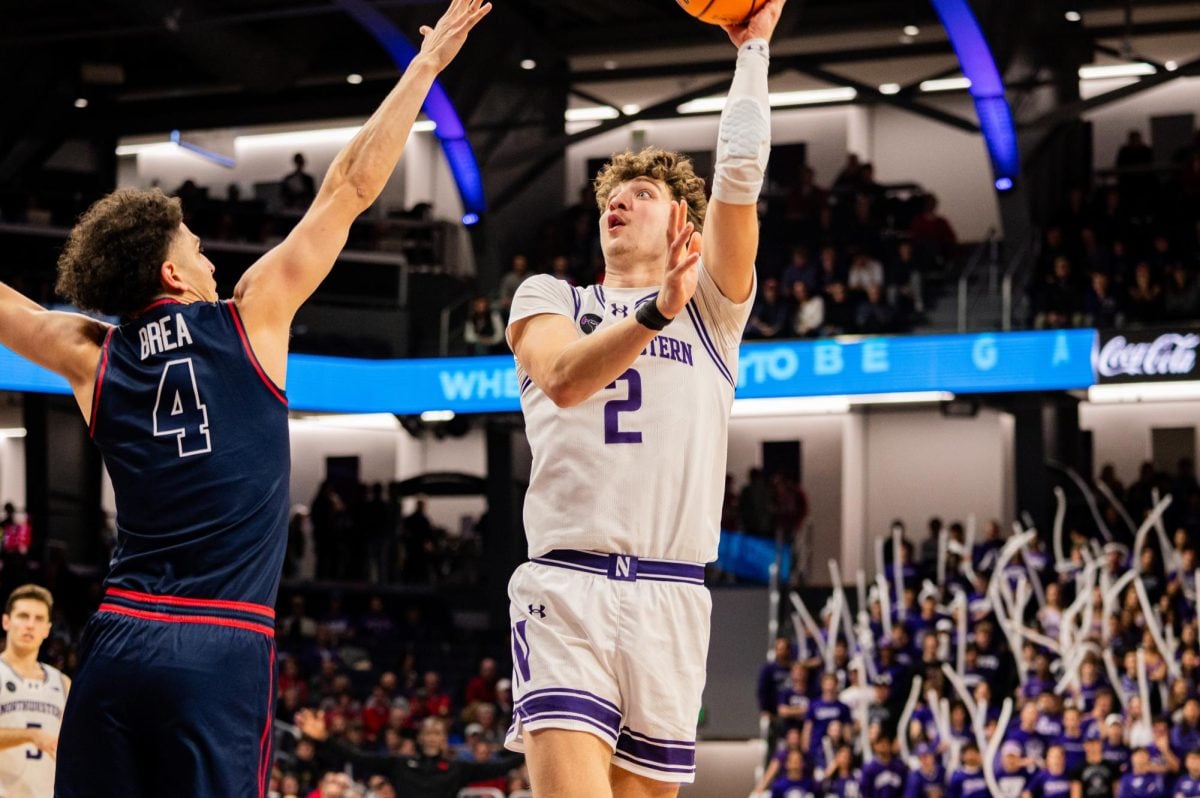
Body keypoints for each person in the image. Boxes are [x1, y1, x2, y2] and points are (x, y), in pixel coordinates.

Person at [0, 3, 491, 796]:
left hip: (118, 642)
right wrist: (424, 68)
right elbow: (352, 184)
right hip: (219, 645)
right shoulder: (252, 315)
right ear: (170, 274)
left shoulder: (92, 357)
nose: (210, 257)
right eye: (194, 245)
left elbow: (12, 310)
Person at [502, 2, 785, 794]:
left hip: (672, 594)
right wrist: (654, 308)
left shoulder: (713, 312)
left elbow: (739, 179)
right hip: (569, 585)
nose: (616, 202)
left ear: (680, 223)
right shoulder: (549, 296)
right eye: (609, 196)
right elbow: (563, 379)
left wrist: (754, 53)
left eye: (640, 194)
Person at [295, 713, 521, 798]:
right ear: (420, 737)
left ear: (444, 739)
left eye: (438, 733)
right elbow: (358, 757)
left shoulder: (458, 768)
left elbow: (501, 766)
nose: (433, 738)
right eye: (429, 733)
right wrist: (324, 738)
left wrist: (533, 749)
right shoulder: (399, 764)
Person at [0, 585, 68, 798]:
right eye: (23, 616)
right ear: (6, 621)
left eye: (39, 619)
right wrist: (30, 735)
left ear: (47, 629)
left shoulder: (63, 682)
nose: (30, 625)